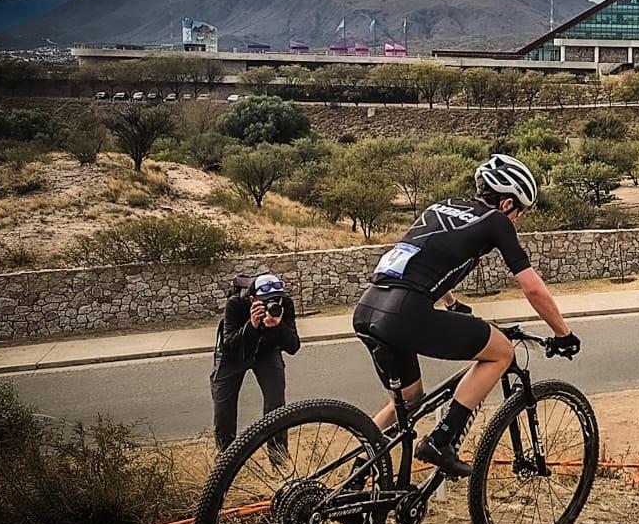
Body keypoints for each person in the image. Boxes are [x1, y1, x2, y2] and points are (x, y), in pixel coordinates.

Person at [352, 154, 580, 477]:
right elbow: (532, 287)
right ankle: (442, 441)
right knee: (501, 351)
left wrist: (451, 303)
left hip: (369, 307)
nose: (517, 220)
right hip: (405, 313)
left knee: (407, 402)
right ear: (505, 203)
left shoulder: (439, 207)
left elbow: (419, 254)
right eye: (519, 211)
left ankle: (354, 479)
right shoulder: (495, 221)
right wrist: (563, 333)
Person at [211, 272, 301, 458]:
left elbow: (293, 346)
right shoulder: (236, 304)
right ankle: (225, 460)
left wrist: (278, 326)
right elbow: (230, 345)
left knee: (276, 404)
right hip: (233, 355)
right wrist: (252, 325)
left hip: (266, 352)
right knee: (224, 407)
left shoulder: (285, 305)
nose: (272, 304)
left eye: (276, 299)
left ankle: (279, 460)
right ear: (253, 298)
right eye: (267, 300)